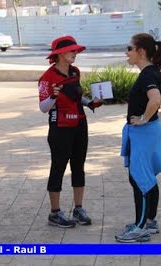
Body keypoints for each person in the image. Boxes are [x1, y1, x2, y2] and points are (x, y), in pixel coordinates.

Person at [38, 35, 102, 228]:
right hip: (60, 128)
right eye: (71, 50)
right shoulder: (47, 78)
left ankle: (78, 208)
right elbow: (43, 107)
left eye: (76, 50)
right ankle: (55, 213)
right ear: (59, 54)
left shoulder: (75, 71)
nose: (75, 53)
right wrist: (53, 97)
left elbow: (77, 97)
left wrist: (90, 102)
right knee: (58, 167)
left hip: (80, 125)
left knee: (78, 166)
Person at [115, 33, 161, 243]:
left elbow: (155, 99)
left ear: (141, 51)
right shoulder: (150, 71)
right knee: (145, 177)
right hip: (146, 133)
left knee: (140, 179)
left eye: (129, 48)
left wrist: (142, 119)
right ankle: (150, 221)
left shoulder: (148, 74)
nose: (126, 52)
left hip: (144, 133)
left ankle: (140, 228)